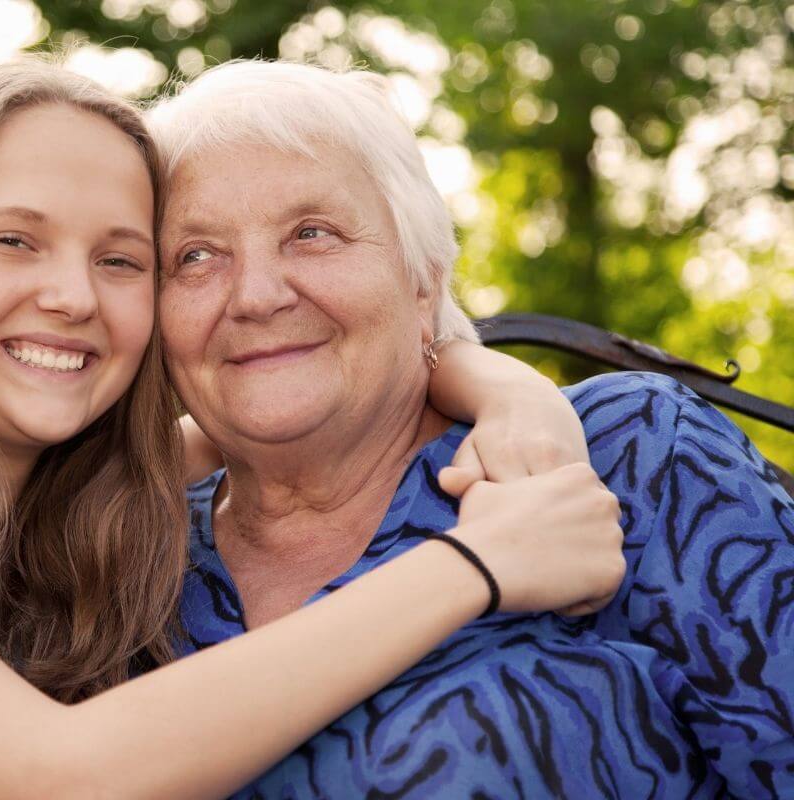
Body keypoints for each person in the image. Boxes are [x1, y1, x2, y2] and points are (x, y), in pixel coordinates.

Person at [0, 61, 623, 800]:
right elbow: (54, 773)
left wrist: (499, 383)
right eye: (13, 240)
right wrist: (477, 563)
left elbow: (305, 382)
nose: (72, 296)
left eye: (124, 259)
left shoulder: (59, 508)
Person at [148, 59, 794, 799]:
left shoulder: (626, 450)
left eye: (312, 233)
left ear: (423, 276)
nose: (256, 295)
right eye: (195, 256)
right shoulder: (121, 559)